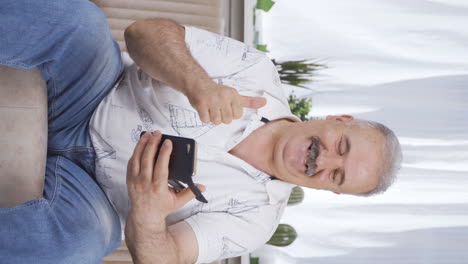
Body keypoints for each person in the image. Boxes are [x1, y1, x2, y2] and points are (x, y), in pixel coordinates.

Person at [0, 1, 402, 264]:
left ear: (330, 192)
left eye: (337, 175)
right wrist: (198, 83)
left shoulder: (257, 221)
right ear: (341, 120)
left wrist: (150, 213)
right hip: (95, 90)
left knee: (76, 247)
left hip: (96, 196)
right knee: (78, 22)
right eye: (341, 147)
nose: (323, 161)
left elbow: (166, 258)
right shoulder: (256, 73)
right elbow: (143, 33)